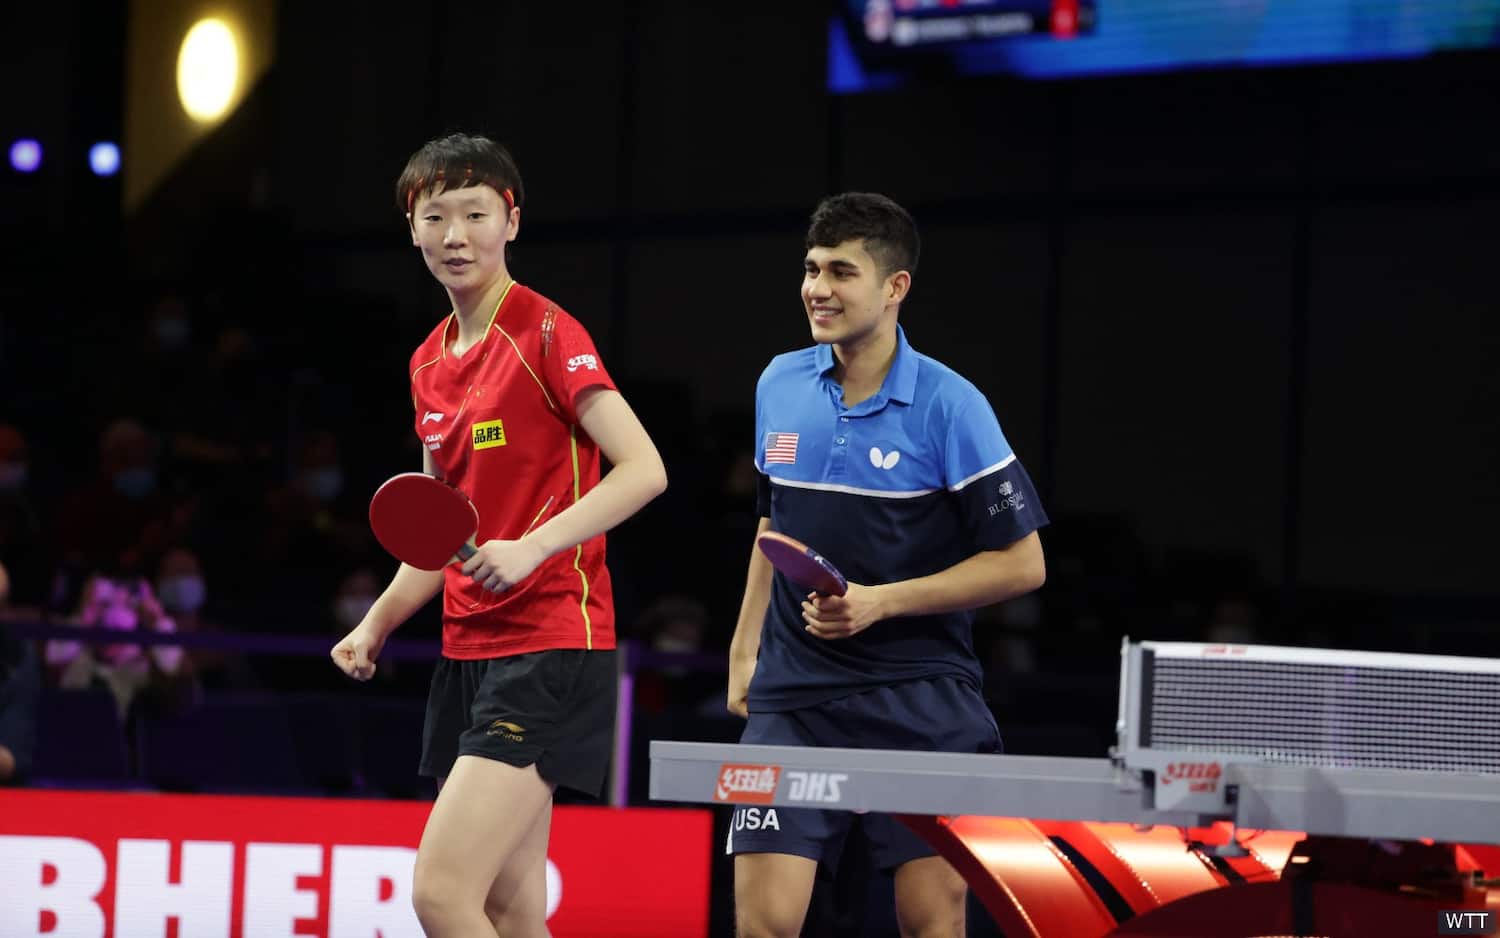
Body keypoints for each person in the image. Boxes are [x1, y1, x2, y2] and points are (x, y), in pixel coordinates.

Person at [329, 133, 667, 938]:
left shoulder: (548, 332)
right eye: (434, 216)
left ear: (511, 220)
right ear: (410, 228)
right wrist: (376, 623)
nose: (456, 235)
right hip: (467, 653)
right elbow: (436, 532)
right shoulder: (425, 365)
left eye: (476, 214)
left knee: (442, 893)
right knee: (510, 910)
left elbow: (644, 469)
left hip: (552, 643)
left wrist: (536, 545)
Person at [725, 192, 1049, 938]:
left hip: (920, 698)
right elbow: (774, 525)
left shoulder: (951, 405)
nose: (818, 289)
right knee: (763, 925)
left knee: (930, 924)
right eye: (811, 269)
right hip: (794, 700)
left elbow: (1022, 564)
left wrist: (881, 602)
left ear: (895, 286)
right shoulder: (779, 383)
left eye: (842, 271)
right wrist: (746, 648)